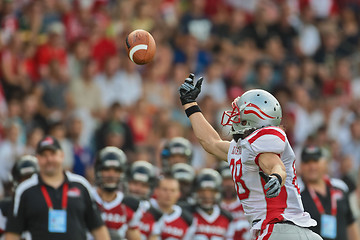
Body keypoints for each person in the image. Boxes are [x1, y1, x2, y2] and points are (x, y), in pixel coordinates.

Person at [178, 73, 322, 239]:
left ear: (254, 117)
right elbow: (211, 143)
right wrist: (190, 104)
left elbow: (274, 164)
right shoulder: (242, 148)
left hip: (278, 229)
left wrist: (276, 176)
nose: (234, 116)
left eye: (239, 112)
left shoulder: (262, 137)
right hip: (294, 231)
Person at [5, 136, 110, 240]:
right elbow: (13, 233)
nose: (49, 159)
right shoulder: (25, 190)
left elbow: (97, 228)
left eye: (53, 154)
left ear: (62, 155)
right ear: (37, 158)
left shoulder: (81, 185)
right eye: (44, 155)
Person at [300, 145, 360, 240]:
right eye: (307, 162)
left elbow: (351, 222)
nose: (312, 166)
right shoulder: (298, 196)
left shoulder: (341, 188)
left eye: (315, 161)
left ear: (324, 163)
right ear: (301, 166)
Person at [92, 146, 142, 240]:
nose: (111, 174)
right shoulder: (87, 197)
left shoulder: (129, 204)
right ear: (98, 171)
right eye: (106, 169)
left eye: (116, 170)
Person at [0, 155, 39, 239]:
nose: (27, 186)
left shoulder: (49, 205)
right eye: (24, 180)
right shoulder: (4, 208)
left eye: (31, 180)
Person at [191, 168, 234, 240]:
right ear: (196, 192)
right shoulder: (188, 214)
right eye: (202, 191)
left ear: (217, 193)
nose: (207, 195)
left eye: (211, 192)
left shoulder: (227, 217)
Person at [127, 161, 163, 240]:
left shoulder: (155, 215)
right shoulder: (118, 204)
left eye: (144, 185)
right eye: (135, 183)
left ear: (151, 189)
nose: (138, 189)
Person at [151, 175, 195, 240]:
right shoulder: (144, 209)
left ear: (179, 194)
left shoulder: (187, 219)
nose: (168, 194)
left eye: (173, 191)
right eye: (165, 190)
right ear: (156, 191)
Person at [218, 162, 250, 240]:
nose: (229, 184)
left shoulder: (247, 204)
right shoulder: (214, 206)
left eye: (232, 179)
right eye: (226, 180)